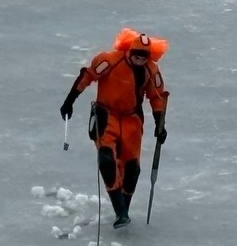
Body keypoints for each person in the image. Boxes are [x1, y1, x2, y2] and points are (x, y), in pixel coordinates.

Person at [60, 28, 169, 228]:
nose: (139, 59)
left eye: (144, 56)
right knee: (107, 160)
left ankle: (124, 209)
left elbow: (157, 97)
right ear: (129, 51)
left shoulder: (151, 71)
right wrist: (69, 101)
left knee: (131, 169)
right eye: (136, 55)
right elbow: (87, 76)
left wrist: (160, 124)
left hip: (132, 121)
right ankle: (120, 211)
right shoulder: (109, 60)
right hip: (106, 116)